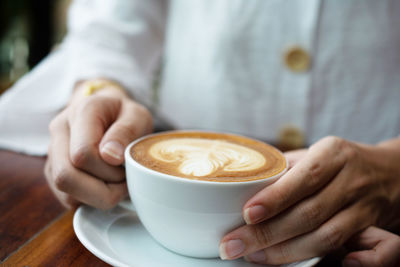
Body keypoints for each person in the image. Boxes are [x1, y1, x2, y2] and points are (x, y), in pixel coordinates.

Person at [0, 1, 399, 266]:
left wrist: (393, 167)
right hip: (174, 135)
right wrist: (98, 90)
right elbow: (112, 23)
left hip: (376, 215)